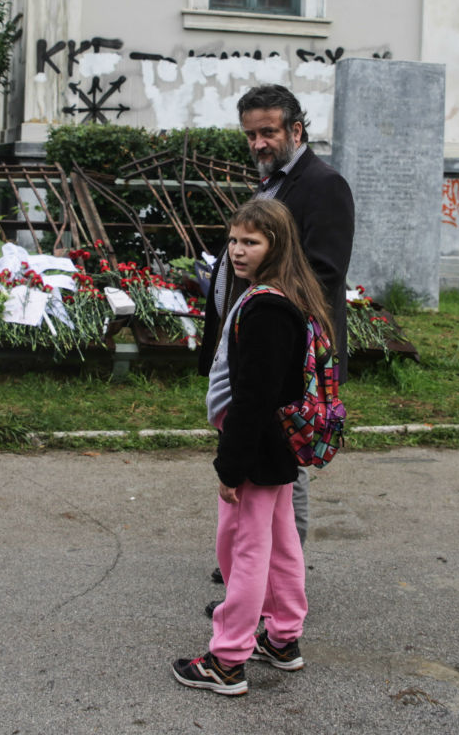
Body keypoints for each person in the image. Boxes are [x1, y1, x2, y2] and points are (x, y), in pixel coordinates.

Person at [172, 198, 335, 696]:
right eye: (234, 240)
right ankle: (282, 638)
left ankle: (227, 659)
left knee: (242, 551)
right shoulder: (286, 296)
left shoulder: (265, 307)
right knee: (282, 544)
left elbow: (253, 396)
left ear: (275, 245)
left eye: (251, 242)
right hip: (278, 444)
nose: (237, 251)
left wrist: (230, 464)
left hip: (255, 446)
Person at [198, 84, 354, 598]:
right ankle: (254, 569)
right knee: (257, 466)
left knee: (283, 474)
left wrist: (265, 326)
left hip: (284, 359)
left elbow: (323, 274)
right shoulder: (272, 185)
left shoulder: (323, 185)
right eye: (250, 135)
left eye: (268, 132)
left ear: (296, 130)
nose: (258, 144)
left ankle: (271, 589)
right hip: (254, 352)